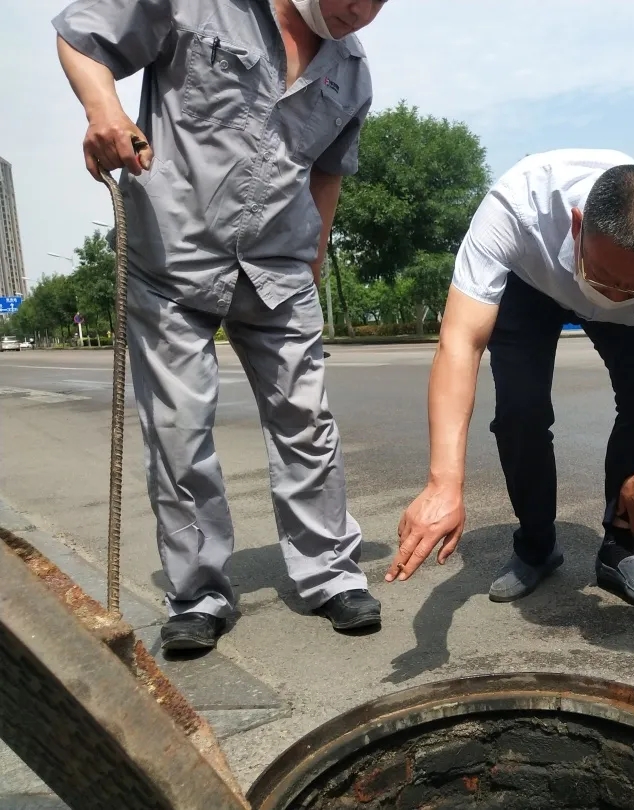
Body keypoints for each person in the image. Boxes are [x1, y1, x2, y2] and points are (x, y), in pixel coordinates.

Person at [53, 0, 388, 651]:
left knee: (307, 422)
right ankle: (198, 593)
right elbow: (81, 36)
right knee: (178, 430)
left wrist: (315, 257)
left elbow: (328, 171)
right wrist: (104, 110)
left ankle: (330, 573)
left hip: (279, 267)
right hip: (173, 256)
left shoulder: (351, 73)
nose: (361, 10)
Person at [386, 149, 634, 613]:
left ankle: (619, 551)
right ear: (577, 225)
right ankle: (536, 546)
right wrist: (444, 482)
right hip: (532, 283)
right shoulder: (517, 206)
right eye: (603, 278)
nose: (610, 296)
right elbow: (461, 341)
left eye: (631, 286)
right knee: (520, 412)